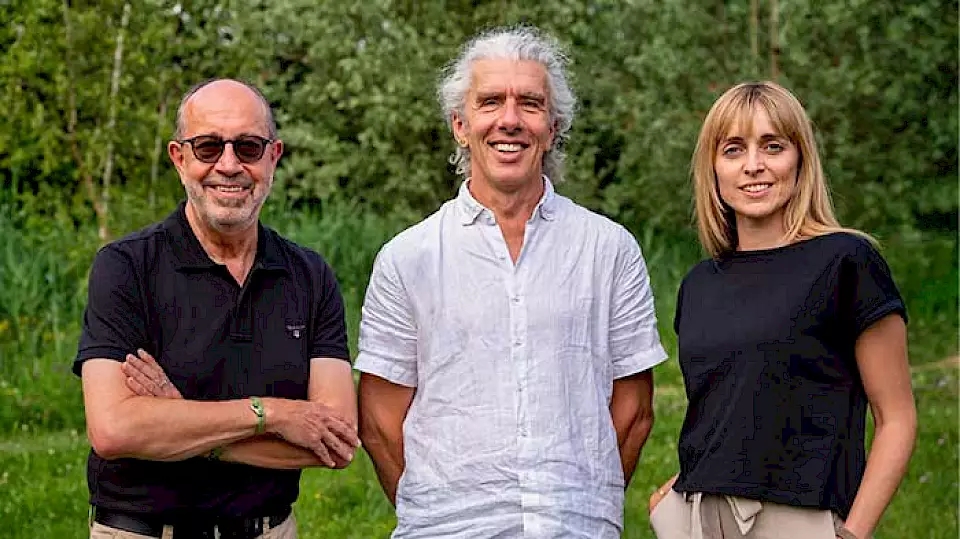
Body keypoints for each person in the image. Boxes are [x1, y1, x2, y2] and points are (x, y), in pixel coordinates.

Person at [355, 26, 669, 538]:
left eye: (529, 103)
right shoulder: (407, 258)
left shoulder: (609, 250)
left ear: (553, 125)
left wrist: (583, 498)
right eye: (490, 102)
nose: (509, 120)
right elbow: (379, 421)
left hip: (577, 527)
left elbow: (634, 411)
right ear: (460, 124)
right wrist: (440, 509)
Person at [75, 78, 360, 539]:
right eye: (208, 147)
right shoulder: (126, 266)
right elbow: (113, 430)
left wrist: (185, 422)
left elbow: (337, 441)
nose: (229, 165)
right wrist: (274, 414)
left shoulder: (310, 275)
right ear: (179, 157)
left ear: (274, 156)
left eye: (248, 147)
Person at [648, 81, 917, 539]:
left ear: (800, 159)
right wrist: (672, 503)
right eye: (734, 149)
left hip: (798, 518)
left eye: (772, 146)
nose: (754, 166)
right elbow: (726, 408)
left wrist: (852, 534)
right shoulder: (698, 283)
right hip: (695, 519)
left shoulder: (846, 261)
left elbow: (898, 419)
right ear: (713, 168)